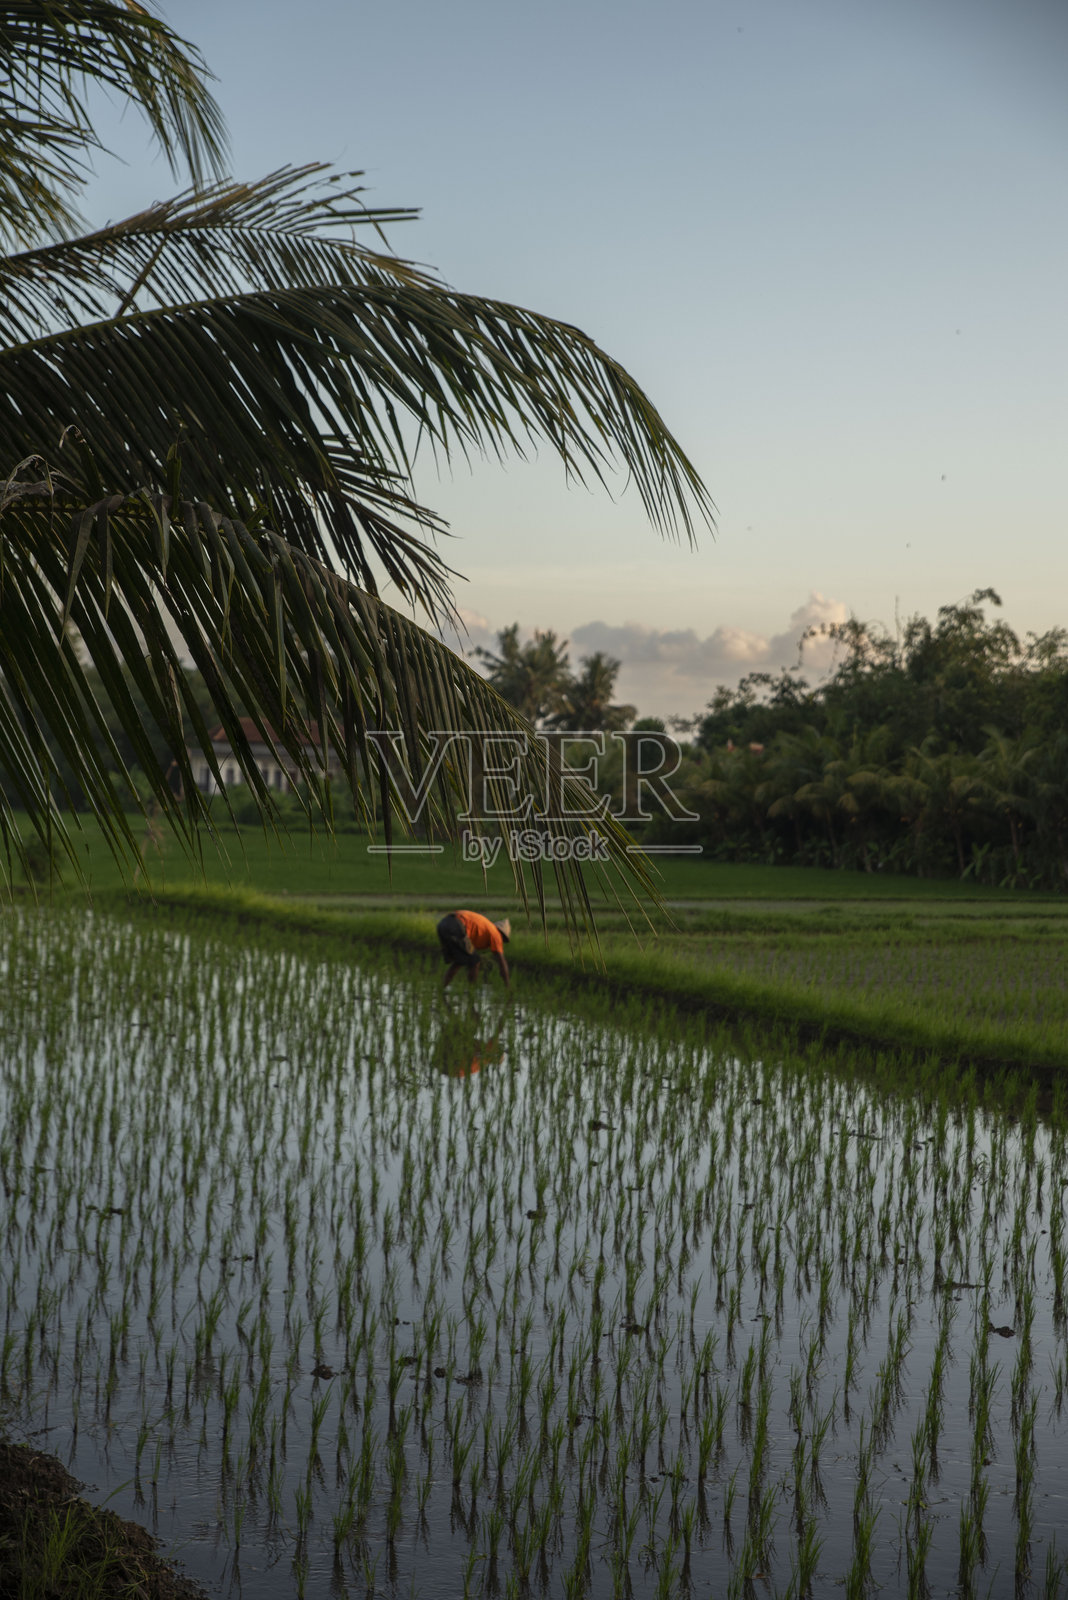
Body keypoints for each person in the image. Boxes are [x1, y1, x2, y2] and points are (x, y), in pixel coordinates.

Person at [437, 910, 511, 990]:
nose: (501, 943)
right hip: (456, 925)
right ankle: (471, 991)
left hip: (443, 924)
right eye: (503, 940)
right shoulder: (496, 934)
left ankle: (441, 989)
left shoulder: (487, 927)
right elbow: (502, 963)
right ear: (502, 935)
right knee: (475, 961)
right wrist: (507, 985)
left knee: (460, 960)